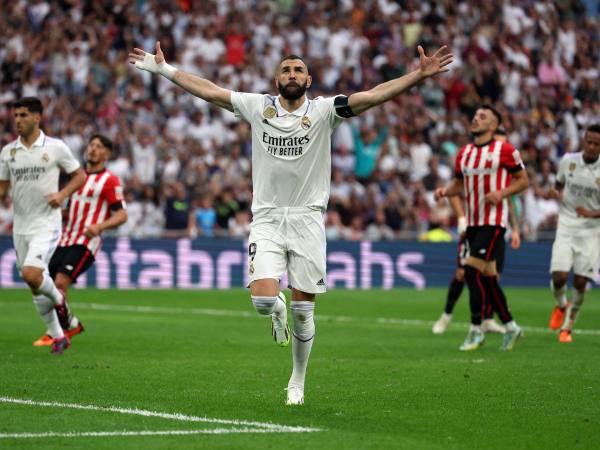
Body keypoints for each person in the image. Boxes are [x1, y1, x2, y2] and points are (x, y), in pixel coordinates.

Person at [130, 41, 452, 404]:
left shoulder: (325, 111)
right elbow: (210, 91)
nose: (292, 74)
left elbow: (373, 96)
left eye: (298, 70)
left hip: (308, 220)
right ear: (276, 78)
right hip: (266, 218)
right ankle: (275, 309)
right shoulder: (257, 107)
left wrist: (418, 76)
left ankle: (297, 380)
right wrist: (166, 70)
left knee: (304, 312)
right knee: (264, 303)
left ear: (309, 79)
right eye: (286, 70)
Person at [435, 105, 529, 351]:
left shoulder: (505, 150)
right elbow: (458, 184)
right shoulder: (464, 153)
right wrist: (445, 191)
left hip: (494, 221)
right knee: (488, 280)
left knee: (470, 271)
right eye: (475, 115)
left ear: (493, 126)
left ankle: (476, 329)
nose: (476, 119)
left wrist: (502, 193)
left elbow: (523, 181)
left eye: (483, 117)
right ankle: (511, 327)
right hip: (474, 223)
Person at [0, 97, 85, 355]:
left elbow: (79, 176)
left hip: (47, 224)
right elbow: (2, 190)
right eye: (15, 116)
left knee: (31, 274)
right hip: (21, 227)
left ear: (37, 117)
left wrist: (62, 195)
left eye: (23, 115)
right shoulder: (8, 152)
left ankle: (63, 306)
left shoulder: (56, 147)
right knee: (34, 283)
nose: (17, 120)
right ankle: (59, 336)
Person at [33, 134, 128, 347]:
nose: (93, 149)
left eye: (99, 146)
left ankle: (56, 331)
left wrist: (98, 227)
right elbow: (71, 209)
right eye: (91, 145)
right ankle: (70, 324)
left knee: (59, 283)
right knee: (42, 284)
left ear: (107, 154)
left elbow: (122, 215)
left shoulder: (109, 180)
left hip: (86, 242)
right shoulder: (77, 178)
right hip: (64, 239)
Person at [547, 124, 600, 343]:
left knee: (580, 282)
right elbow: (559, 182)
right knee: (559, 277)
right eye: (589, 142)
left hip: (591, 232)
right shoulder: (568, 161)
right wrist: (555, 191)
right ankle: (561, 305)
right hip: (567, 226)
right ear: (583, 141)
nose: (592, 147)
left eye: (597, 144)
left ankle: (567, 327)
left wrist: (591, 212)